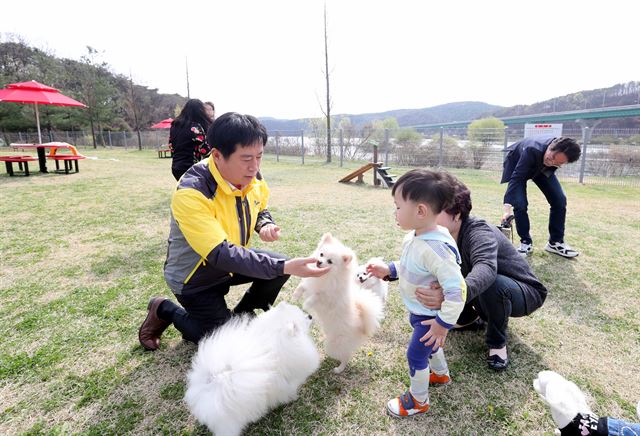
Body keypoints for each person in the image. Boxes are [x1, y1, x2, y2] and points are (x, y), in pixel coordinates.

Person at [138, 112, 328, 351]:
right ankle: (164, 308)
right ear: (217, 155)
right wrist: (285, 267)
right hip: (194, 278)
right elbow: (220, 253)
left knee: (279, 265)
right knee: (219, 341)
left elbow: (260, 206)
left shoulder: (251, 176)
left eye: (259, 156)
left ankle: (241, 316)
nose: (255, 167)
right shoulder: (192, 191)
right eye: (246, 158)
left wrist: (264, 223)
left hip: (229, 264)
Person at [415, 173, 548, 371]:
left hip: (524, 292)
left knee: (492, 282)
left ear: (457, 214)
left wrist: (452, 296)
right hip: (483, 293)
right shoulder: (437, 236)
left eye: (436, 210)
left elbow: (486, 269)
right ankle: (469, 319)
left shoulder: (478, 231)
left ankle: (497, 343)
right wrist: (390, 271)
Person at [366, 169, 467, 417]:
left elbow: (457, 289)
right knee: (430, 347)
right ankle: (440, 375)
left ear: (420, 211)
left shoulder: (435, 248)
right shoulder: (418, 236)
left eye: (398, 206)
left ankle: (418, 400)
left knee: (416, 353)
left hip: (431, 317)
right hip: (420, 311)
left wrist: (442, 325)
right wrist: (389, 269)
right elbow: (413, 267)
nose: (395, 212)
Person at [500, 135, 581, 257]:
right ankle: (525, 242)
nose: (552, 163)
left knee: (559, 200)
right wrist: (507, 209)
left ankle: (555, 242)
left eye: (558, 163)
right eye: (552, 157)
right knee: (520, 203)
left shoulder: (555, 157)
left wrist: (552, 162)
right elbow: (517, 178)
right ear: (551, 147)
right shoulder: (532, 149)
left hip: (540, 168)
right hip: (518, 166)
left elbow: (551, 163)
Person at [169, 99, 215, 181]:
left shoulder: (175, 125)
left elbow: (171, 146)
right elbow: (204, 150)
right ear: (199, 111)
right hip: (191, 167)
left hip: (176, 166)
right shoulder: (195, 127)